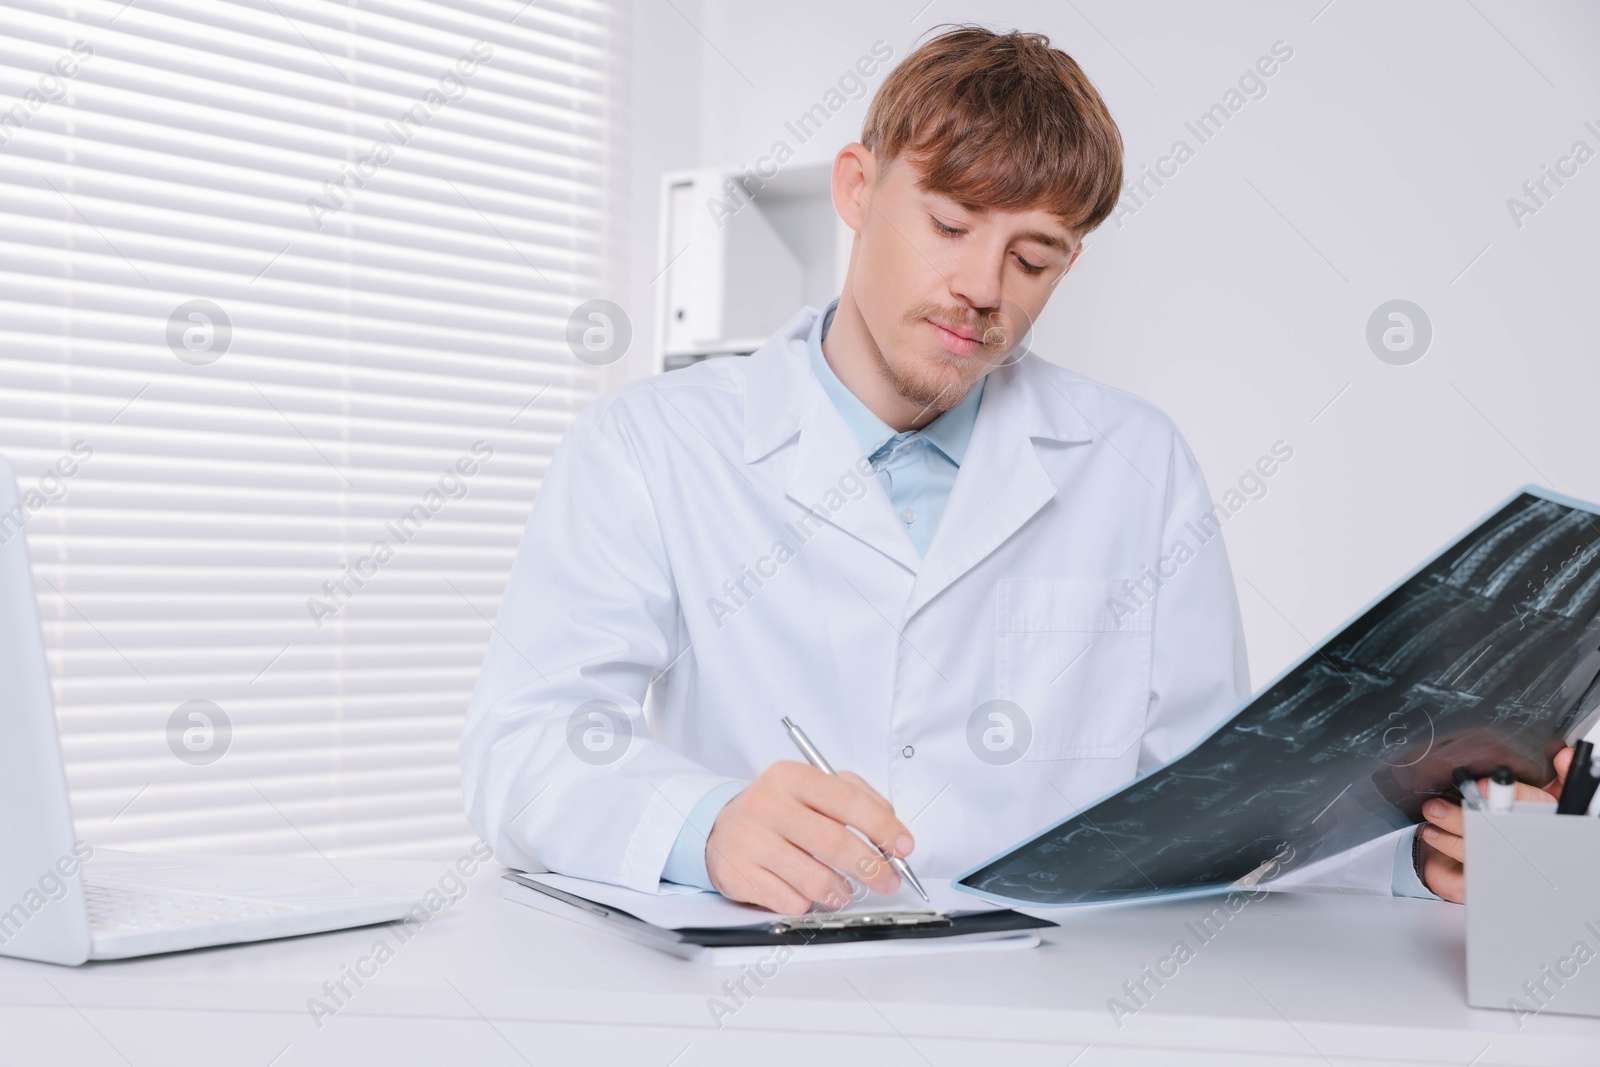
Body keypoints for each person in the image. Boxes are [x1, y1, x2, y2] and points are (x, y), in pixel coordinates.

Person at [460, 24, 1571, 913]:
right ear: (855, 187)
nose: (982, 288)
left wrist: (1411, 856)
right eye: (948, 225)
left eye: (1031, 255)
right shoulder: (650, 447)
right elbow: (527, 747)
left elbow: (1214, 806)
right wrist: (701, 824)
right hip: (760, 1004)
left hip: (1051, 1012)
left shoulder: (1134, 464)